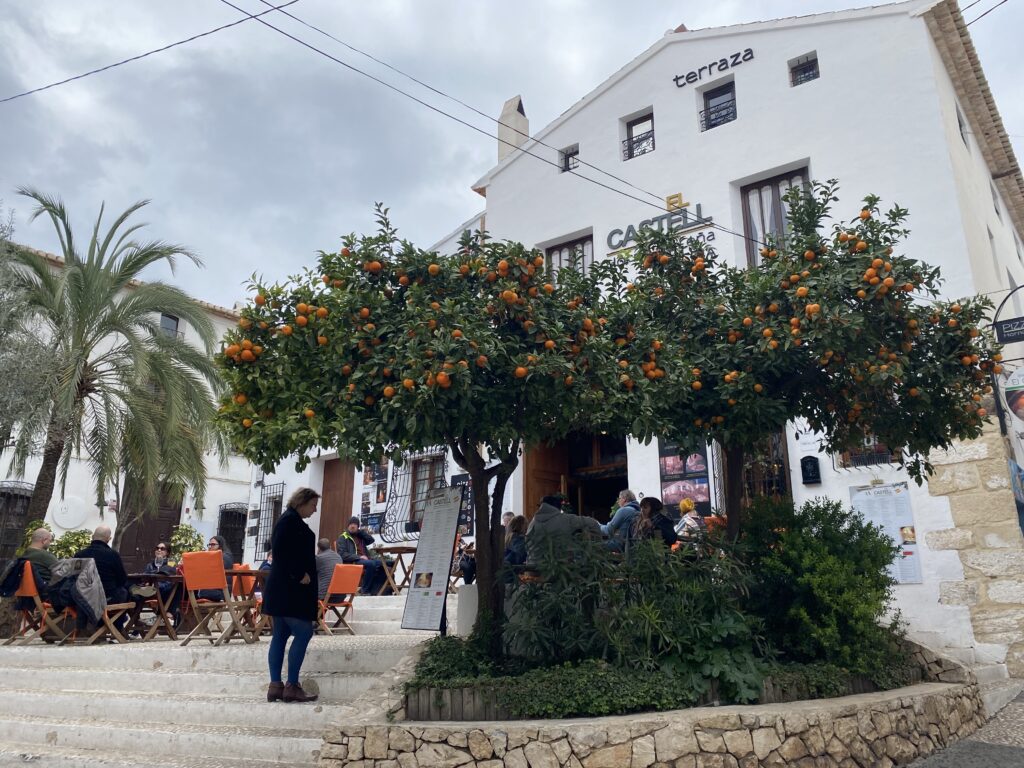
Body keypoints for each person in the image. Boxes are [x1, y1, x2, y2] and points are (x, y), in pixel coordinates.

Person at [263, 487, 320, 703]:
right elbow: (281, 552)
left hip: (283, 589)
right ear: (301, 502)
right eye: (313, 505)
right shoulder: (289, 521)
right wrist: (299, 575)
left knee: (281, 634)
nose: (315, 510)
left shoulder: (289, 520)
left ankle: (276, 685)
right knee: (304, 632)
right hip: (290, 590)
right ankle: (292, 685)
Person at [73, 525, 130, 632]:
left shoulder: (79, 554)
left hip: (83, 599)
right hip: (107, 598)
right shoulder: (113, 555)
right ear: (108, 539)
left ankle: (98, 625)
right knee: (124, 592)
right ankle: (116, 628)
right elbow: (122, 579)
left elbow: (73, 577)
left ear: (93, 537)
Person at [526, 495, 601, 562]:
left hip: (532, 568)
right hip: (558, 570)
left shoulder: (532, 523)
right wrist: (597, 545)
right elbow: (592, 522)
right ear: (558, 508)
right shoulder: (566, 519)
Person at [337, 517, 386, 595]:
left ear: (358, 527)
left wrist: (360, 532)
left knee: (387, 563)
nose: (352, 526)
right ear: (348, 526)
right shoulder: (343, 537)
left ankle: (380, 590)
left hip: (365, 560)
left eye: (355, 524)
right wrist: (359, 557)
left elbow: (371, 540)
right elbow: (342, 554)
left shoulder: (361, 537)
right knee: (371, 564)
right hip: (354, 561)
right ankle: (364, 590)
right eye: (351, 524)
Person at [198, 535, 234, 601]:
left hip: (221, 592)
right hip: (215, 590)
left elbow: (210, 572)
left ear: (220, 545)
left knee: (190, 590)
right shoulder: (215, 556)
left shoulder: (224, 557)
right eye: (209, 545)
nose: (210, 547)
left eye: (213, 544)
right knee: (185, 588)